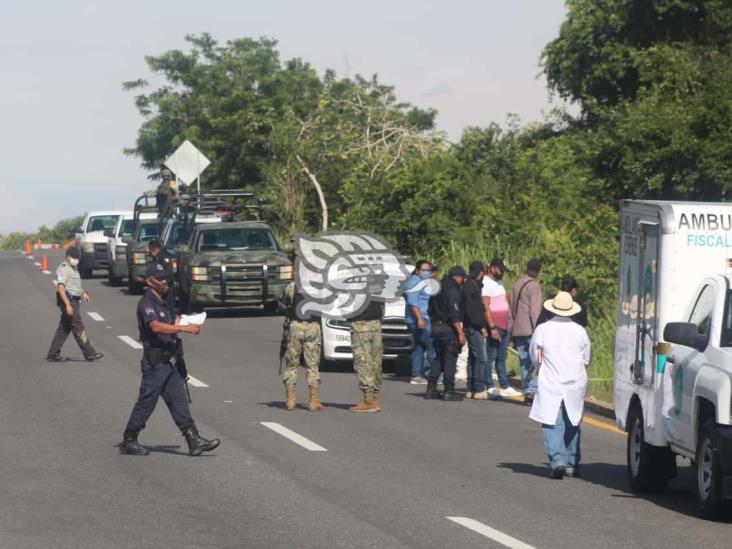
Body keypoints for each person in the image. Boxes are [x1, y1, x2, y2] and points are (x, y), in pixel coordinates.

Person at [120, 262, 220, 456]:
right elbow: (156, 326)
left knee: (179, 400)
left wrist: (188, 321)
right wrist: (183, 328)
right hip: (156, 362)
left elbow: (170, 321)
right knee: (147, 401)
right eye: (160, 278)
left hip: (170, 360)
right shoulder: (146, 303)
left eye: (166, 277)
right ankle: (129, 439)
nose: (165, 281)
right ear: (150, 281)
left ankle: (194, 439)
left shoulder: (163, 301)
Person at [529, 291, 591, 479]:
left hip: (551, 381)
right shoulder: (580, 331)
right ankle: (572, 463)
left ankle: (558, 461)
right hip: (575, 381)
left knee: (552, 422)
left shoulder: (543, 329)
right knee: (573, 420)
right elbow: (586, 358)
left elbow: (535, 356)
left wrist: (542, 367)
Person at [46, 247, 104, 362]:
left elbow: (74, 285)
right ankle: (90, 353)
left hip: (74, 300)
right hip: (69, 300)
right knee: (78, 326)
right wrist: (67, 304)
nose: (76, 260)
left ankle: (53, 354)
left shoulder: (73, 268)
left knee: (64, 327)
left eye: (77, 258)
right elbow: (61, 287)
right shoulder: (64, 269)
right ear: (67, 257)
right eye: (74, 257)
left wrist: (83, 292)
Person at [279, 281, 323, 411]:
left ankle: (290, 400)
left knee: (292, 363)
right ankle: (314, 400)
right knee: (312, 364)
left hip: (295, 325)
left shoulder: (292, 286)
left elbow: (283, 304)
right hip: (313, 326)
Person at [424, 266, 467, 401]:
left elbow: (430, 310)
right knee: (450, 358)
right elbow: (453, 313)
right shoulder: (452, 289)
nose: (462, 281)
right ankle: (449, 390)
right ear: (457, 276)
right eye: (462, 278)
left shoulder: (437, 287)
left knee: (439, 357)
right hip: (448, 328)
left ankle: (431, 389)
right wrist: (460, 333)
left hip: (436, 327)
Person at [482, 258, 521, 398]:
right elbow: (485, 306)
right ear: (492, 268)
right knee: (490, 356)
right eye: (500, 269)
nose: (502, 272)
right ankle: (490, 385)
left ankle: (504, 384)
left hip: (504, 325)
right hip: (495, 325)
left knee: (501, 357)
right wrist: (491, 327)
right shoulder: (485, 283)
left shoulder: (499, 283)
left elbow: (505, 300)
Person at [510, 258, 543, 405]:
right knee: (538, 361)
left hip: (518, 328)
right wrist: (539, 329)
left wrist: (511, 328)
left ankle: (527, 390)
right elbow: (534, 310)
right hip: (530, 329)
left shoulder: (516, 284)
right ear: (539, 270)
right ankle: (532, 390)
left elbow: (511, 308)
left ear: (526, 268)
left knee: (524, 361)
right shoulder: (534, 286)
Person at [349, 299, 385, 413]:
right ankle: (375, 397)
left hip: (361, 325)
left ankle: (368, 400)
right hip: (376, 325)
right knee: (376, 361)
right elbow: (382, 307)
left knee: (362, 362)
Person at [461, 261, 489, 399]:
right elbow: (474, 310)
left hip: (469, 325)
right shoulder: (472, 287)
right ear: (480, 273)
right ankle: (478, 388)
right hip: (474, 327)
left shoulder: (468, 285)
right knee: (481, 358)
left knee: (472, 357)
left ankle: (471, 387)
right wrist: (482, 326)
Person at [404, 260, 436, 384]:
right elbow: (413, 303)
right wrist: (420, 319)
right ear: (417, 271)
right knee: (431, 345)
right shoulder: (414, 281)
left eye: (428, 270)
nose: (427, 272)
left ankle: (417, 375)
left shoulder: (419, 281)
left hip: (421, 318)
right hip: (420, 318)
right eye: (424, 270)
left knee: (419, 346)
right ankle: (434, 374)